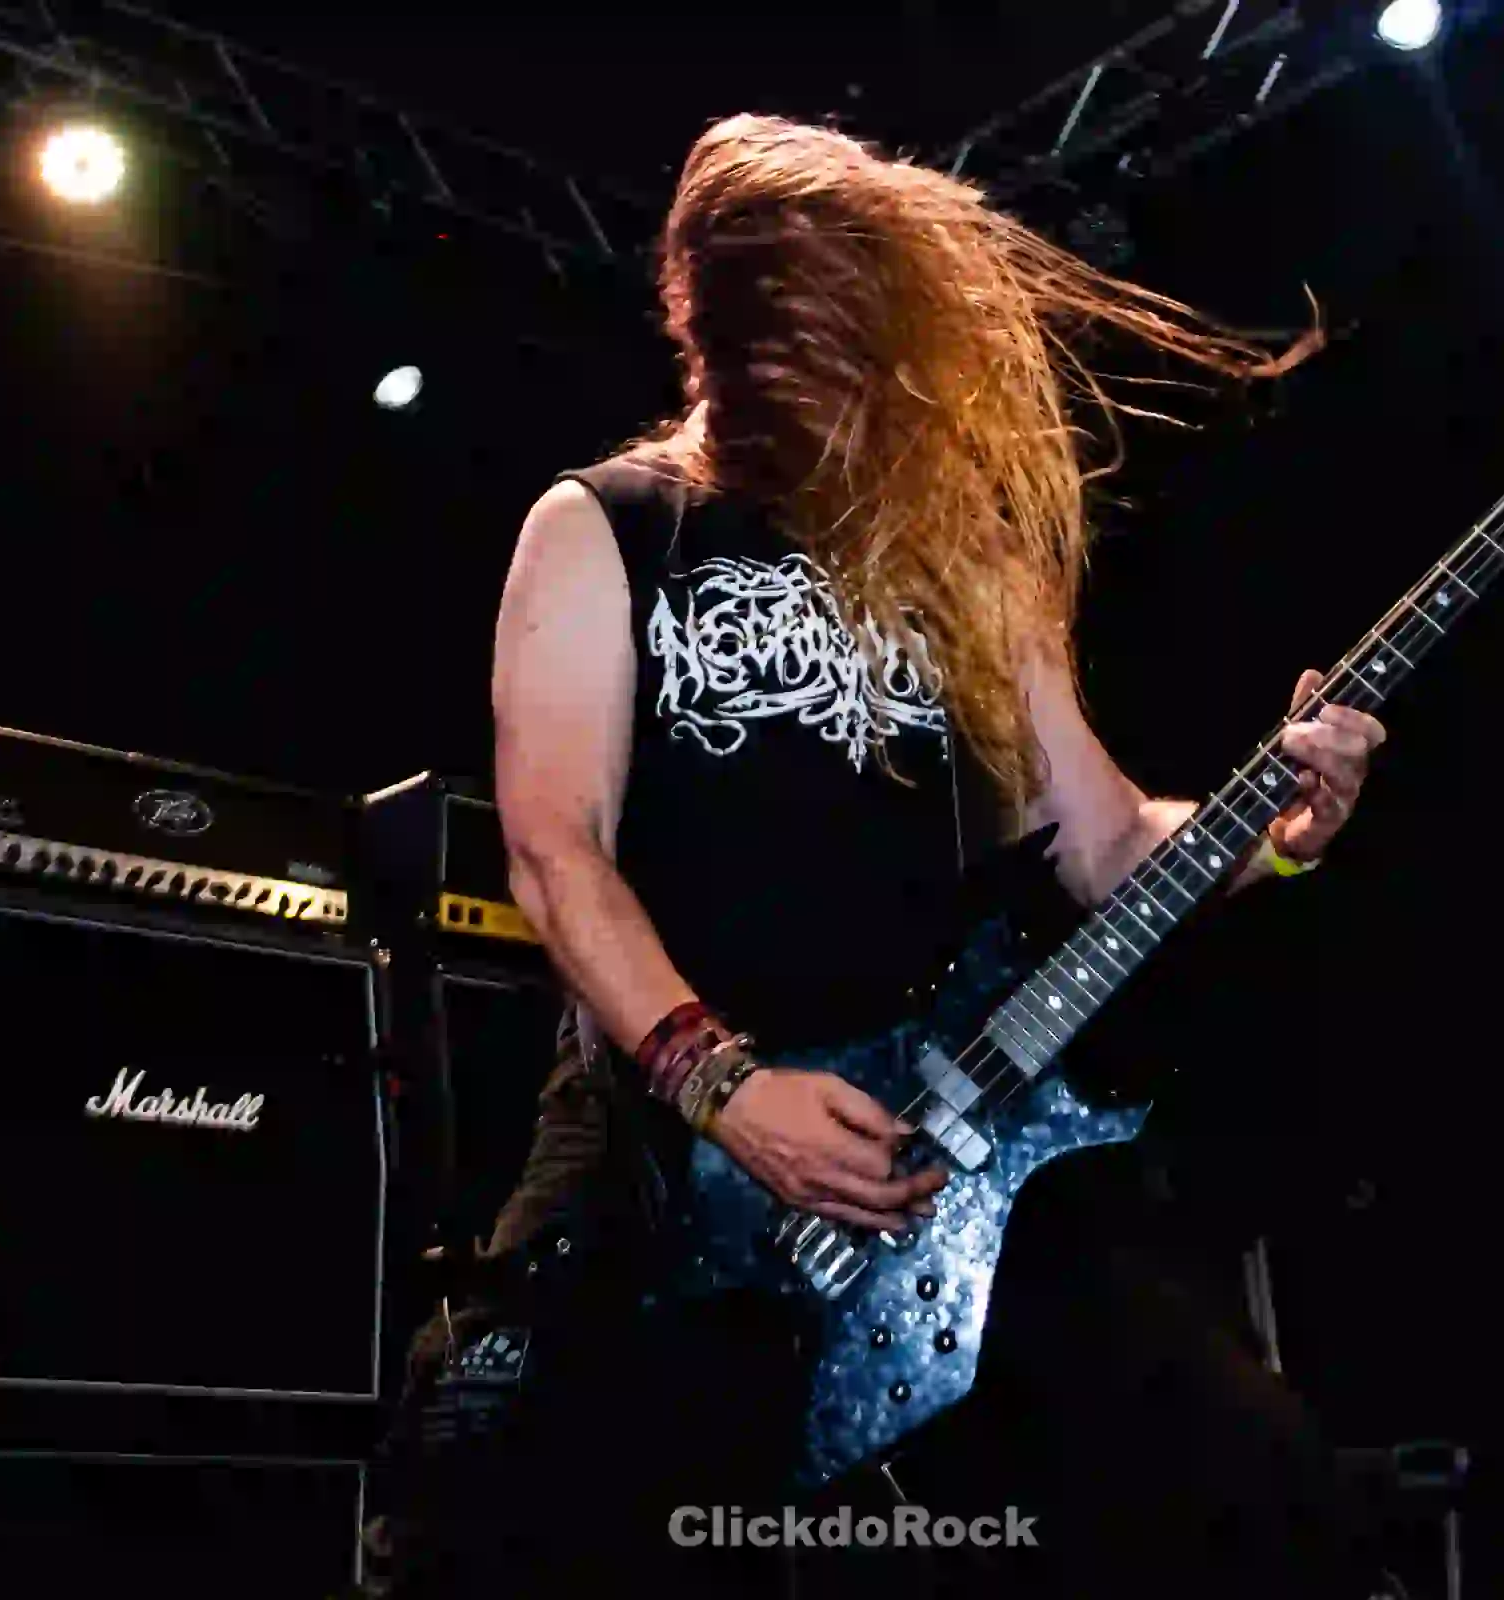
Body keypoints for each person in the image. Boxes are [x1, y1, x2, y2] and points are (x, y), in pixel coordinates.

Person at [397, 114, 1388, 1597]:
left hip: (928, 1127)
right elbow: (556, 852)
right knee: (500, 1501)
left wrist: (1279, 838)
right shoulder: (604, 525)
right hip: (660, 1133)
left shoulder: (960, 559)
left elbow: (1109, 840)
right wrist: (725, 1086)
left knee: (1247, 1482)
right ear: (729, 324)